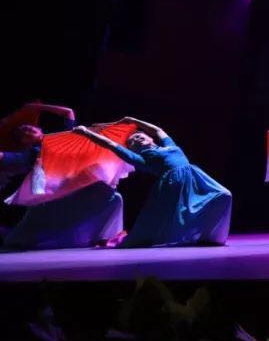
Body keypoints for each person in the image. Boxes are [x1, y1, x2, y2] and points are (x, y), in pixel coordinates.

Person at [73, 117, 231, 247]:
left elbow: (157, 130)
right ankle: (206, 239)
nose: (137, 139)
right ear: (132, 149)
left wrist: (132, 120)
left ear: (150, 138)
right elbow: (110, 145)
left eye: (139, 136)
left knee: (223, 195)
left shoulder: (169, 145)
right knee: (171, 222)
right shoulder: (140, 159)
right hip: (172, 186)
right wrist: (86, 132)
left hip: (195, 179)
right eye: (132, 141)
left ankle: (211, 236)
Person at [1, 103, 125, 249]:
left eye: (27, 128)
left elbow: (68, 112)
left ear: (39, 128)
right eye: (22, 134)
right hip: (60, 193)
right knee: (28, 230)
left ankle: (103, 237)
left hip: (83, 185)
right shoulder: (33, 154)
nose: (26, 131)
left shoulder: (61, 138)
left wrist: (37, 106)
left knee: (115, 199)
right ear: (24, 142)